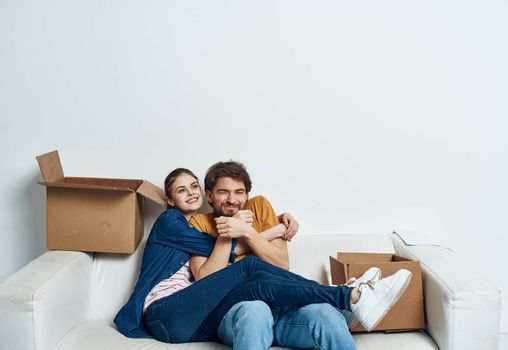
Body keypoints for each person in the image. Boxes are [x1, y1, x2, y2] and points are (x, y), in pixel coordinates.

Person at [114, 168, 412, 346]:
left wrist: (269, 225)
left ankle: (347, 298)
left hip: (191, 319)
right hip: (164, 312)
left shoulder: (204, 223)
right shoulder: (172, 222)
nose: (190, 193)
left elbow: (248, 252)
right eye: (181, 190)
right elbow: (226, 250)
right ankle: (350, 296)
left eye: (193, 186)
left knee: (257, 281)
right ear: (169, 200)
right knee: (252, 272)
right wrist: (270, 230)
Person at [189, 161, 357, 349]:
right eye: (223, 192)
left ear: (246, 195)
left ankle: (347, 306)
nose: (232, 199)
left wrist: (246, 231)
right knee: (256, 310)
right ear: (209, 195)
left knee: (326, 313)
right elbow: (205, 281)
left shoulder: (259, 206)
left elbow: (281, 265)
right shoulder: (199, 223)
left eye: (239, 192)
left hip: (283, 311)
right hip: (237, 313)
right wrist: (230, 230)